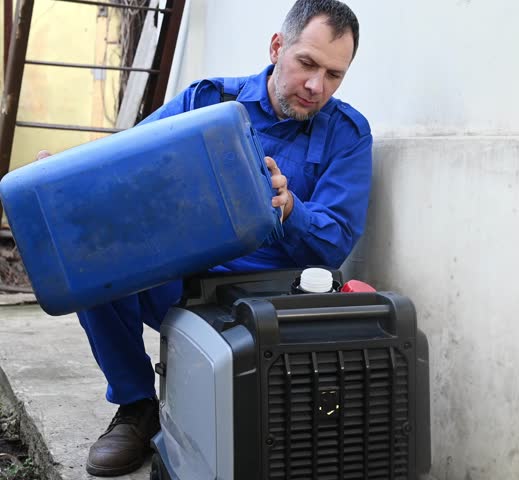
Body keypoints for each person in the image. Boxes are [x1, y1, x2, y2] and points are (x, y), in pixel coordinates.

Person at [37, 0, 370, 476]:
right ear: (278, 47)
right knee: (95, 255)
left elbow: (335, 241)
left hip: (261, 301)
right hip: (176, 280)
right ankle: (136, 406)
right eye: (307, 64)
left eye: (334, 75)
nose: (317, 86)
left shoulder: (349, 136)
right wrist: (65, 175)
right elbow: (124, 161)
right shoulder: (207, 100)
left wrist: (290, 208)